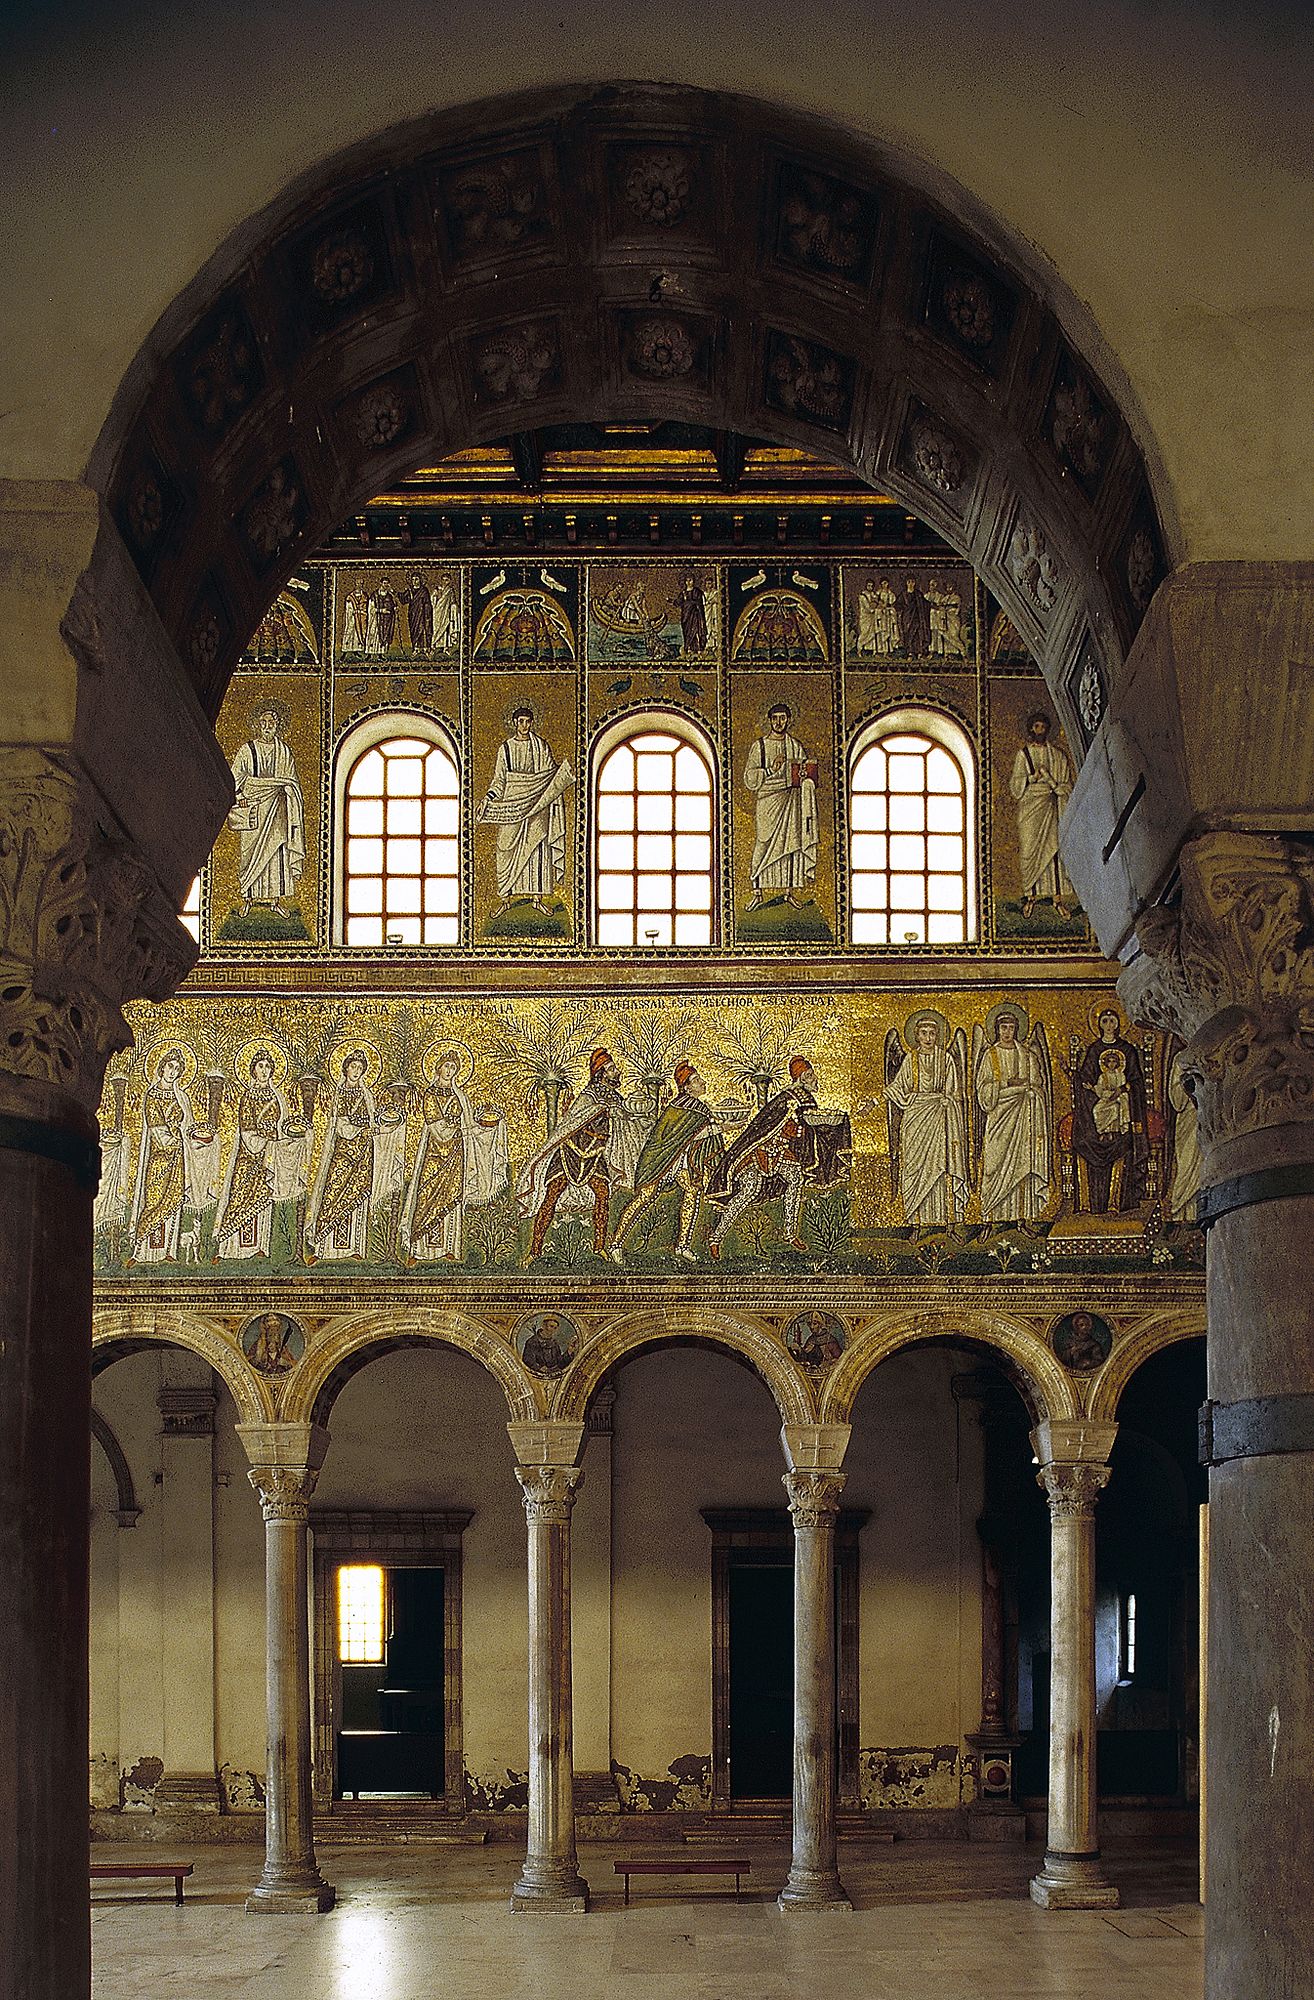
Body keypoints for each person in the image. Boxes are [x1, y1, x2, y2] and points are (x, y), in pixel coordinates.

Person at [517, 1049, 645, 1260]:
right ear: (602, 1073)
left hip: (595, 1155)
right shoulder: (589, 1095)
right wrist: (603, 1110)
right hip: (571, 1152)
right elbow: (576, 1119)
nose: (617, 1072)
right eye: (612, 1068)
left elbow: (625, 1121)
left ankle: (599, 1246)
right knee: (551, 1197)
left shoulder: (616, 1097)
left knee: (603, 1196)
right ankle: (534, 1251)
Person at [608, 1062, 726, 1262]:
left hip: (679, 1160)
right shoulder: (680, 1107)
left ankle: (682, 1246)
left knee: (692, 1190)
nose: (703, 1083)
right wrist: (724, 1127)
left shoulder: (699, 1108)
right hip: (661, 1159)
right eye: (697, 1080)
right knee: (646, 1195)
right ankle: (616, 1244)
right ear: (687, 1087)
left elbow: (694, 1137)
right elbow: (688, 1135)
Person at [399, 1050, 508, 1263]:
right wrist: (462, 1130)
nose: (449, 1071)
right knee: (427, 1196)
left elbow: (470, 1125)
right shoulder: (429, 1094)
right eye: (446, 1066)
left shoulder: (460, 1095)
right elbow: (437, 1129)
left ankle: (449, 1248)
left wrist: (493, 1125)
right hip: (434, 1153)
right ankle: (417, 1248)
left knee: (453, 1196)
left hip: (457, 1153)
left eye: (453, 1067)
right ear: (438, 1067)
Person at [707, 1055, 818, 1258]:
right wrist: (794, 1130)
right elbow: (766, 1127)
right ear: (800, 1077)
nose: (814, 1078)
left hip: (780, 1152)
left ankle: (790, 1233)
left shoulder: (806, 1099)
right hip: (757, 1153)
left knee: (795, 1178)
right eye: (809, 1075)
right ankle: (716, 1238)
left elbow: (799, 1129)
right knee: (749, 1188)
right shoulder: (786, 1099)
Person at [212, 1048, 308, 1260]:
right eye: (260, 1066)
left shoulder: (277, 1097)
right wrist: (265, 1139)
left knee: (263, 1198)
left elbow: (283, 1126)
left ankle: (259, 1247)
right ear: (253, 1070)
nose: (264, 1070)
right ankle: (230, 1249)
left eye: (267, 1066)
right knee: (240, 1197)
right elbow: (246, 1129)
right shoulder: (247, 1097)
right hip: (249, 1155)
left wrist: (291, 1136)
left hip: (268, 1156)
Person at [476, 705, 574, 913]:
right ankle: (505, 900)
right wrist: (488, 798)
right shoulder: (506, 749)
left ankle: (537, 899)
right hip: (512, 804)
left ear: (532, 723)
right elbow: (499, 780)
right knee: (505, 847)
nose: (524, 725)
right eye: (520, 721)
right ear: (514, 723)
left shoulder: (541, 746)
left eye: (528, 721)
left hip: (537, 803)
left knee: (538, 849)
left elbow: (549, 775)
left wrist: (560, 776)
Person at [128, 1048, 219, 1264]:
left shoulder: (181, 1097)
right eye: (170, 1066)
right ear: (161, 1067)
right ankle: (141, 1253)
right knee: (154, 1201)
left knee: (174, 1202)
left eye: (177, 1069)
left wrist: (199, 1139)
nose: (173, 1071)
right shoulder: (151, 1096)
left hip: (178, 1159)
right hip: (159, 1158)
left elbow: (188, 1127)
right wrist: (174, 1140)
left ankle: (168, 1252)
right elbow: (156, 1129)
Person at [888, 1016, 968, 1226]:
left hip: (940, 1119)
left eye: (932, 1033)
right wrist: (876, 1100)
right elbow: (898, 1087)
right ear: (916, 1035)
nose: (928, 1038)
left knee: (940, 1167)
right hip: (915, 1119)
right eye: (923, 1033)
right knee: (914, 1169)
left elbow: (954, 1092)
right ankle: (916, 1222)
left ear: (938, 1035)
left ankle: (946, 1222)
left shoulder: (946, 1060)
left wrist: (946, 1101)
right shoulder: (910, 1060)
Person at [227, 702, 305, 918]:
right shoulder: (247, 750)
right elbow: (235, 778)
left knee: (277, 854)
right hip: (254, 808)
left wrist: (287, 789)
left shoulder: (284, 751)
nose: (267, 726)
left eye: (271, 722)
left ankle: (276, 900)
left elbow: (291, 781)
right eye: (264, 722)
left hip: (278, 809)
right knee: (250, 855)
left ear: (277, 725)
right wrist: (240, 796)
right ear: (257, 725)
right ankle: (247, 899)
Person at [975, 1012, 1050, 1224]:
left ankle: (1022, 1220)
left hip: (1023, 1119)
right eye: (1003, 1028)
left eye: (1010, 1028)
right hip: (999, 1117)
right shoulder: (990, 1056)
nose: (1007, 1032)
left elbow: (1038, 1086)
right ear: (997, 1030)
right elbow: (982, 1090)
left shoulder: (1028, 1056)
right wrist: (1006, 1085)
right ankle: (989, 1218)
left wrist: (1031, 1092)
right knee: (993, 1165)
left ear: (1016, 1029)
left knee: (1022, 1166)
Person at [744, 701, 819, 909]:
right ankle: (757, 891)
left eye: (783, 718)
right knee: (763, 841)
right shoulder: (759, 746)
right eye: (775, 718)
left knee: (791, 845)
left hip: (791, 798)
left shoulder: (795, 745)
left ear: (788, 720)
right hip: (768, 799)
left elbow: (804, 771)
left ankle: (789, 892)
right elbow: (749, 778)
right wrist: (770, 769)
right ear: (769, 720)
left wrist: (807, 780)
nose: (779, 722)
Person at [1072, 1009, 1149, 1213]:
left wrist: (1122, 1090)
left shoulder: (1128, 1050)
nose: (1108, 1025)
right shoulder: (1094, 1050)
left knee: (1124, 1142)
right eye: (1104, 1021)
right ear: (1099, 1024)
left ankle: (1119, 1203)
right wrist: (1090, 1088)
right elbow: (1085, 1080)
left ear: (1118, 1024)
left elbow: (1137, 1082)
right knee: (1084, 1141)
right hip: (1099, 1108)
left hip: (1123, 1111)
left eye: (1112, 1021)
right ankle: (1089, 1204)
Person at [305, 1050, 377, 1260]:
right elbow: (341, 1126)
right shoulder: (339, 1094)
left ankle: (354, 1248)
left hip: (363, 1154)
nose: (356, 1071)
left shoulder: (366, 1095)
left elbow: (372, 1121)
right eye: (353, 1066)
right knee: (332, 1195)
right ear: (345, 1068)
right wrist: (362, 1128)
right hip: (343, 1153)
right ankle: (322, 1248)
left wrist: (375, 1128)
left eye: (360, 1068)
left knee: (358, 1196)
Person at [1008, 711, 1075, 921]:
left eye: (1043, 727)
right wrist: (1032, 777)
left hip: (1052, 806)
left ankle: (1057, 900)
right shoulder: (1023, 755)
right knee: (1030, 849)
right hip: (1030, 808)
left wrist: (1053, 785)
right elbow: (1015, 786)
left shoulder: (1057, 755)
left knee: (1054, 850)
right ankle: (1031, 897)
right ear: (1031, 729)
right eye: (1036, 726)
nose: (1040, 730)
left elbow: (1067, 785)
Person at [676, 571, 708, 654]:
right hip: (686, 617)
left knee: (696, 631)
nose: (689, 582)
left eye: (690, 580)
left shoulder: (697, 592)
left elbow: (699, 603)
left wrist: (690, 603)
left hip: (696, 616)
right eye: (687, 581)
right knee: (687, 632)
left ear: (694, 581)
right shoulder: (683, 593)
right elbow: (678, 602)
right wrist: (672, 601)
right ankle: (689, 648)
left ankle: (698, 648)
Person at [407, 572, 433, 654]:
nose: (414, 581)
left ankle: (426, 648)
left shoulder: (424, 590)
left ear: (420, 580)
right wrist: (394, 592)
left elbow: (428, 602)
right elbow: (404, 599)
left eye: (416, 579)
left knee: (425, 630)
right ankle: (416, 648)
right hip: (413, 614)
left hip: (424, 614)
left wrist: (425, 609)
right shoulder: (410, 590)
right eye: (413, 579)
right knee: (414, 630)